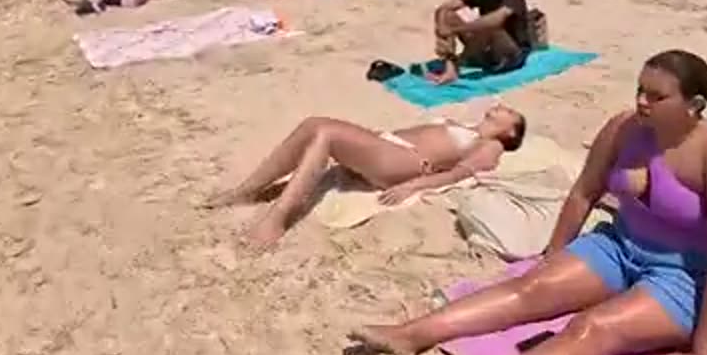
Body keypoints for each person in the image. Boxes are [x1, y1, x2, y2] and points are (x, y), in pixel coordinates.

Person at [349, 51, 707, 355]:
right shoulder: (625, 128)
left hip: (695, 276)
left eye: (657, 96)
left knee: (593, 328)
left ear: (694, 104)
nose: (641, 102)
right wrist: (553, 256)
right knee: (531, 289)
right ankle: (410, 335)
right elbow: (584, 192)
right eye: (639, 90)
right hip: (623, 246)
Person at [205, 104, 528, 249]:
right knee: (312, 127)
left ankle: (276, 219)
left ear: (511, 130)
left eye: (509, 111)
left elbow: (459, 174)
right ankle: (248, 190)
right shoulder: (471, 128)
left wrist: (413, 185)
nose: (501, 105)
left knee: (325, 132)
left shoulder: (492, 145)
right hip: (389, 147)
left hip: (401, 162)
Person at [430, 0, 531, 86]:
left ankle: (460, 63)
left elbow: (495, 20)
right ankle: (451, 66)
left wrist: (455, 29)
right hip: (485, 48)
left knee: (489, 27)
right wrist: (442, 27)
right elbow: (445, 8)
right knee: (448, 17)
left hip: (510, 54)